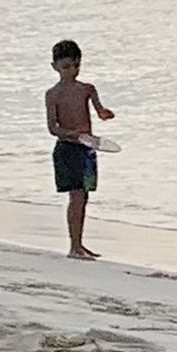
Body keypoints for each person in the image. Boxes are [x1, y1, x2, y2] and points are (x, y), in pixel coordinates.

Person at [46, 39, 113, 261]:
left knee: (83, 197)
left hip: (87, 149)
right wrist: (72, 134)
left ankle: (79, 244)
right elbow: (53, 128)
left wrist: (105, 114)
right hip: (67, 149)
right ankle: (74, 246)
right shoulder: (53, 94)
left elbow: (99, 110)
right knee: (75, 196)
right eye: (66, 66)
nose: (72, 71)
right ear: (55, 67)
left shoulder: (87, 89)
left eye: (76, 65)